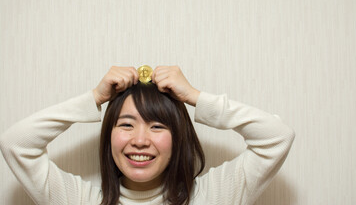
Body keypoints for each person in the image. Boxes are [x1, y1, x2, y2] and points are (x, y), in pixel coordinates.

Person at [0, 65, 295, 205]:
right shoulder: (79, 200)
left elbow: (277, 137)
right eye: (126, 124)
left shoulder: (215, 195)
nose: (140, 140)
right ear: (109, 136)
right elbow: (15, 144)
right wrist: (94, 97)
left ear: (178, 138)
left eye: (157, 126)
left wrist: (194, 96)